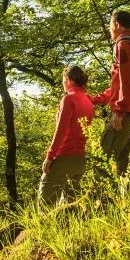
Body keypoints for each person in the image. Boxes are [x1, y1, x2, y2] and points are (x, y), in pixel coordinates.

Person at [91, 11, 130, 192]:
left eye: (110, 25)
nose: (109, 30)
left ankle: (103, 205)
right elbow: (119, 83)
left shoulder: (123, 45)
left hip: (127, 113)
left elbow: (128, 81)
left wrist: (120, 111)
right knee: (128, 163)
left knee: (102, 156)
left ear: (116, 24)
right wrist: (97, 99)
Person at [38, 65, 95, 207]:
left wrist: (50, 157)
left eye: (63, 80)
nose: (63, 83)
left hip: (64, 157)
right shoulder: (88, 100)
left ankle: (44, 230)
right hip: (80, 160)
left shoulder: (68, 99)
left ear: (68, 80)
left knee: (45, 203)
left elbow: (61, 130)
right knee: (69, 207)